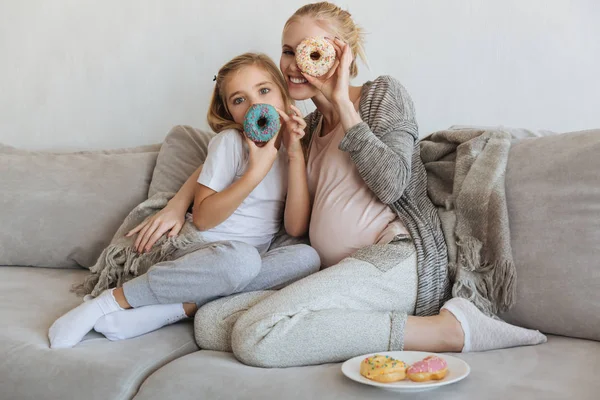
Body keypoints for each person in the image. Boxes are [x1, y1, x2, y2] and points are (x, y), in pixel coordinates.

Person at [194, 2, 547, 367]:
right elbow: (292, 222)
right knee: (209, 323)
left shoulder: (382, 95)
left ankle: (449, 332)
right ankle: (335, 329)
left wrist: (343, 105)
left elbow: (393, 185)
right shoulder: (308, 128)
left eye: (308, 50)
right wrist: (180, 204)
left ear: (340, 54)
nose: (293, 64)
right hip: (333, 275)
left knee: (255, 337)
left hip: (396, 259)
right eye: (286, 51)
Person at [48, 53, 320, 349]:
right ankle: (108, 302)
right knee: (240, 262)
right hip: (201, 250)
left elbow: (294, 228)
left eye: (264, 90)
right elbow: (203, 218)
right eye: (239, 100)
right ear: (229, 112)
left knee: (307, 259)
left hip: (249, 259)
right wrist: (255, 172)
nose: (255, 104)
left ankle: (178, 308)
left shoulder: (295, 151)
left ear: (283, 93)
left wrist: (294, 155)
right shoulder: (230, 143)